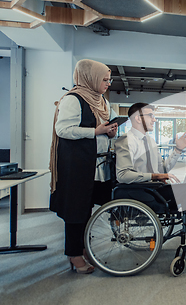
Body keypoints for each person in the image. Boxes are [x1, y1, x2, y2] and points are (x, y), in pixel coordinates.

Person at [114, 103, 186, 254]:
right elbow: (122, 175)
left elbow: (162, 169)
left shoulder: (150, 141)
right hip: (139, 190)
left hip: (154, 188)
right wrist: (155, 176)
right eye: (151, 115)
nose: (154, 119)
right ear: (137, 118)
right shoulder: (125, 141)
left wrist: (178, 149)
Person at [49, 59, 118, 274]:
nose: (108, 83)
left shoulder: (101, 101)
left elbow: (103, 127)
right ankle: (74, 254)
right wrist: (95, 132)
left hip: (98, 163)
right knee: (76, 211)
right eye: (104, 79)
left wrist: (111, 132)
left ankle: (84, 247)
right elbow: (63, 130)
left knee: (90, 209)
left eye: (109, 79)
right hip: (77, 165)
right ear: (90, 78)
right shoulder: (73, 99)